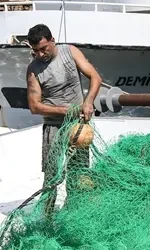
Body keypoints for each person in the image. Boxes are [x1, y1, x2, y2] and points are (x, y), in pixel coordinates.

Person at [25, 24, 102, 198]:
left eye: (44, 49)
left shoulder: (70, 52)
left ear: (53, 41)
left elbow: (95, 77)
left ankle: (75, 211)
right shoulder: (33, 70)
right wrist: (65, 111)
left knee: (79, 173)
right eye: (36, 51)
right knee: (52, 176)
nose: (40, 54)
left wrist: (88, 102)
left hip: (78, 126)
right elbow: (34, 106)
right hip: (54, 129)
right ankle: (47, 215)